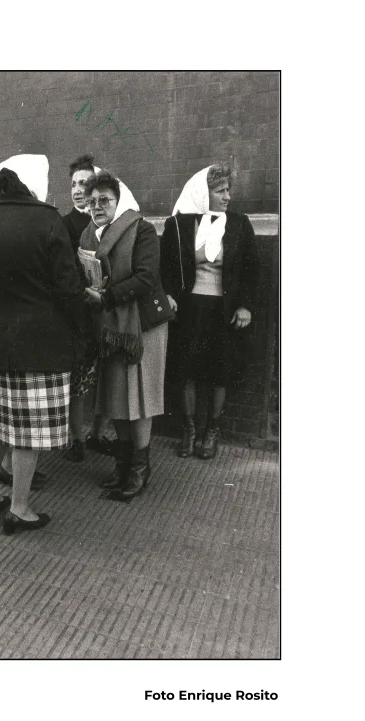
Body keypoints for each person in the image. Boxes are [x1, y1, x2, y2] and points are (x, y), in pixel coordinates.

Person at [0, 158, 87, 533]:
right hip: (41, 346)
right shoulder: (47, 219)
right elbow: (68, 288)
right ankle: (20, 507)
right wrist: (79, 328)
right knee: (28, 430)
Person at [80, 171, 174, 501]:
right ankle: (121, 466)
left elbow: (147, 278)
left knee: (141, 398)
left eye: (104, 200)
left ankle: (139, 469)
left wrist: (105, 297)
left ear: (118, 202)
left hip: (142, 327)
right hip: (110, 329)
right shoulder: (88, 236)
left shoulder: (141, 229)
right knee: (115, 395)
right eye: (91, 202)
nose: (96, 206)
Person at [161, 164, 261, 459]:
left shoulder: (240, 224)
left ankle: (212, 431)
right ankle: (189, 431)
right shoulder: (178, 226)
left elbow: (252, 269)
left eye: (228, 190)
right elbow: (165, 267)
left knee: (221, 371)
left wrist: (245, 305)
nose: (227, 196)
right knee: (186, 370)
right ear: (203, 194)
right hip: (190, 309)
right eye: (220, 191)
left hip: (224, 310)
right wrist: (168, 295)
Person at [60, 154, 114, 461]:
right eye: (73, 184)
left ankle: (96, 433)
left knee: (105, 376)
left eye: (83, 182)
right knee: (79, 380)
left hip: (107, 311)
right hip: (80, 313)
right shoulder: (64, 223)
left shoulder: (109, 221)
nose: (78, 189)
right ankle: (76, 438)